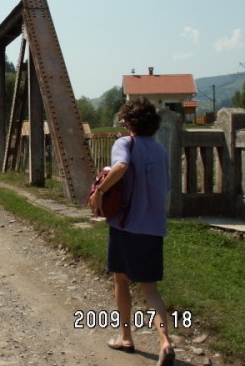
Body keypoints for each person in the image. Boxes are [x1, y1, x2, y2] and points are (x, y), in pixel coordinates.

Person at [87, 97, 175, 366]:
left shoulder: (125, 143)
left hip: (126, 226)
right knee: (150, 289)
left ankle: (125, 336)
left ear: (128, 122)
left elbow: (122, 166)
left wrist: (100, 191)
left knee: (121, 281)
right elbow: (166, 188)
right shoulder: (160, 150)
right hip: (153, 228)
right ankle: (165, 342)